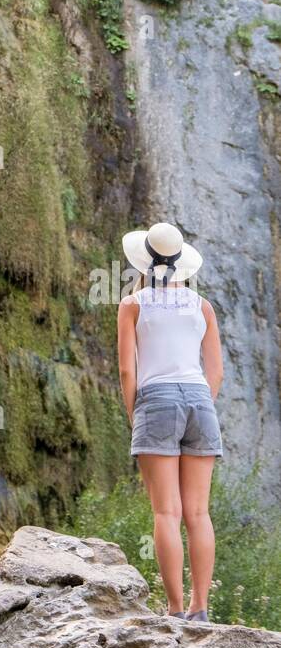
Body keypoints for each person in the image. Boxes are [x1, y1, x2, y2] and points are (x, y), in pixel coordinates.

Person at [117, 222, 224, 621]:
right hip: (200, 401)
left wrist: (137, 416)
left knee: (167, 513)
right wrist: (199, 405)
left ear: (143, 261)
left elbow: (128, 372)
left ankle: (175, 610)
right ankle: (201, 609)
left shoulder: (133, 305)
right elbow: (216, 373)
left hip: (155, 401)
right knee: (198, 513)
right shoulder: (203, 307)